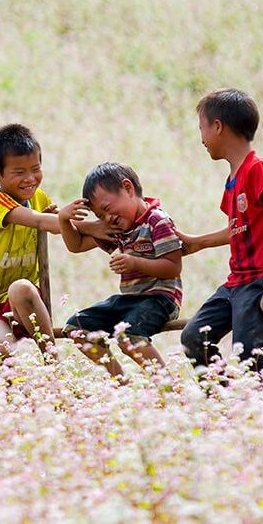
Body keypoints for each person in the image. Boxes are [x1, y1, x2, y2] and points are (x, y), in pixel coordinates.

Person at [177, 88, 263, 379]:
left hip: (262, 281)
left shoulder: (259, 169)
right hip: (236, 283)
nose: (201, 139)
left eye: (202, 128)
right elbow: (238, 229)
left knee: (247, 351)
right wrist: (197, 243)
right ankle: (225, 406)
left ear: (218, 126)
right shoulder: (232, 181)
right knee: (194, 337)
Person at [58, 162, 183, 380]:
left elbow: (173, 267)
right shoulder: (120, 228)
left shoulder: (157, 220)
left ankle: (168, 386)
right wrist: (63, 219)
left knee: (127, 336)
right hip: (131, 301)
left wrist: (135, 263)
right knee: (75, 327)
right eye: (100, 215)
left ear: (128, 188)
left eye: (106, 209)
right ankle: (120, 382)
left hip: (161, 298)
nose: (106, 219)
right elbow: (76, 246)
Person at [0, 123, 65, 360]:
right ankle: (18, 394)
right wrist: (63, 219)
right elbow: (42, 221)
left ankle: (53, 364)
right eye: (19, 172)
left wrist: (102, 232)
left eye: (35, 169)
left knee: (21, 287)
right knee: (1, 349)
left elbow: (59, 227)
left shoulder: (39, 198)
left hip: (25, 302)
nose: (30, 179)